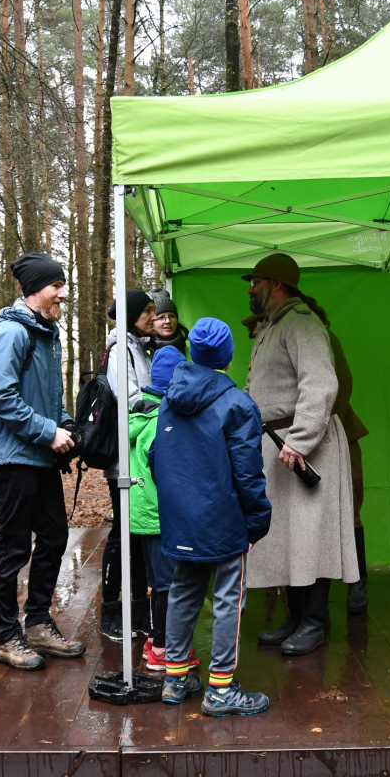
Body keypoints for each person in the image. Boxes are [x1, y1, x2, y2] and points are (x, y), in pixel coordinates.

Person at [151, 318, 272, 716]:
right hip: (224, 521)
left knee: (183, 591)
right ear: (228, 355)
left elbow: (156, 458)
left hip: (179, 518)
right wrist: (257, 521)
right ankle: (221, 690)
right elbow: (249, 474)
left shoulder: (169, 398)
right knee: (227, 599)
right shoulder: (237, 404)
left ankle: (175, 678)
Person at [242, 253, 359, 656]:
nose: (249, 288)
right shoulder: (274, 328)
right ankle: (295, 618)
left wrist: (301, 439)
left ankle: (314, 622)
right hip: (279, 443)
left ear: (275, 283)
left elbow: (322, 384)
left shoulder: (301, 323)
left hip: (304, 446)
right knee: (290, 536)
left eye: (254, 281)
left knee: (312, 535)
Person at [0, 253, 85, 671]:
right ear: (35, 290)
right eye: (56, 285)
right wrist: (47, 432)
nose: (63, 292)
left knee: (56, 536)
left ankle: (38, 623)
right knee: (14, 546)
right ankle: (7, 635)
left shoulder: (47, 334)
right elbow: (1, 396)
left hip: (39, 456)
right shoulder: (12, 333)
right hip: (12, 455)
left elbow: (49, 400)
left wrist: (67, 426)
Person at [241, 312, 370, 614]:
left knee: (343, 515)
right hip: (290, 439)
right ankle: (298, 613)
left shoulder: (309, 330)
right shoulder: (271, 340)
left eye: (255, 328)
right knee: (296, 525)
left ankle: (357, 585)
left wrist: (310, 430)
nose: (255, 335)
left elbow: (336, 387)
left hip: (326, 438)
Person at [129, 345, 200, 671]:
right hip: (160, 517)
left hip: (143, 516)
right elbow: (166, 471)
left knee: (159, 582)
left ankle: (156, 640)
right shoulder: (163, 422)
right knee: (169, 585)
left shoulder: (140, 415)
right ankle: (164, 648)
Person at [98, 290, 157, 641]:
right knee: (122, 535)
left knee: (133, 537)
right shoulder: (121, 349)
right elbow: (132, 398)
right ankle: (109, 612)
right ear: (132, 315)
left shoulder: (137, 347)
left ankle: (134, 610)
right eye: (147, 311)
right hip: (123, 458)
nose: (153, 316)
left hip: (135, 455)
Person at [147, 287, 189, 356]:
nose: (168, 321)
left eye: (171, 316)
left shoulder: (191, 349)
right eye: (161, 317)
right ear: (152, 322)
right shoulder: (144, 353)